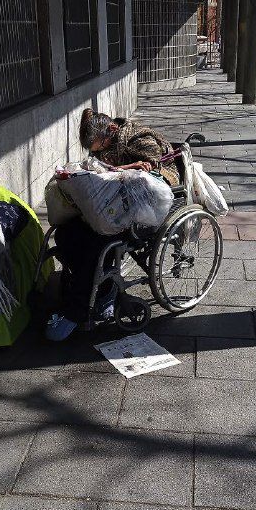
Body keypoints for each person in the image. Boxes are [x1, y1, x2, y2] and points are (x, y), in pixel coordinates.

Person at [45, 108, 178, 341]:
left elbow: (159, 178)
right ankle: (97, 288)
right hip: (114, 207)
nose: (100, 152)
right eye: (96, 150)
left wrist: (126, 169)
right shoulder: (105, 145)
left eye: (101, 147)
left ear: (113, 130)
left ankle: (80, 307)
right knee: (67, 233)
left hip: (142, 211)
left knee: (96, 244)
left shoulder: (139, 140)